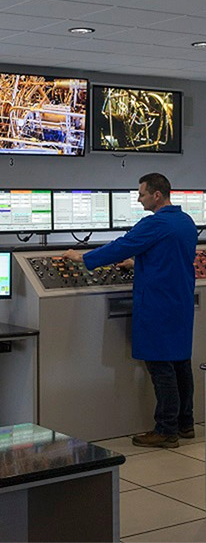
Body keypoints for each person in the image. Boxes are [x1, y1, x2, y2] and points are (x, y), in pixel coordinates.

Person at [62, 173, 197, 449]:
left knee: (161, 367)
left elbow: (120, 246)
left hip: (157, 305)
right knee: (181, 363)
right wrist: (137, 265)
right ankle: (186, 423)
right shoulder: (186, 222)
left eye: (142, 193)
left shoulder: (154, 223)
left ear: (156, 195)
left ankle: (166, 430)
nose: (138, 198)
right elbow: (170, 259)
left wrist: (83, 258)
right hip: (180, 302)